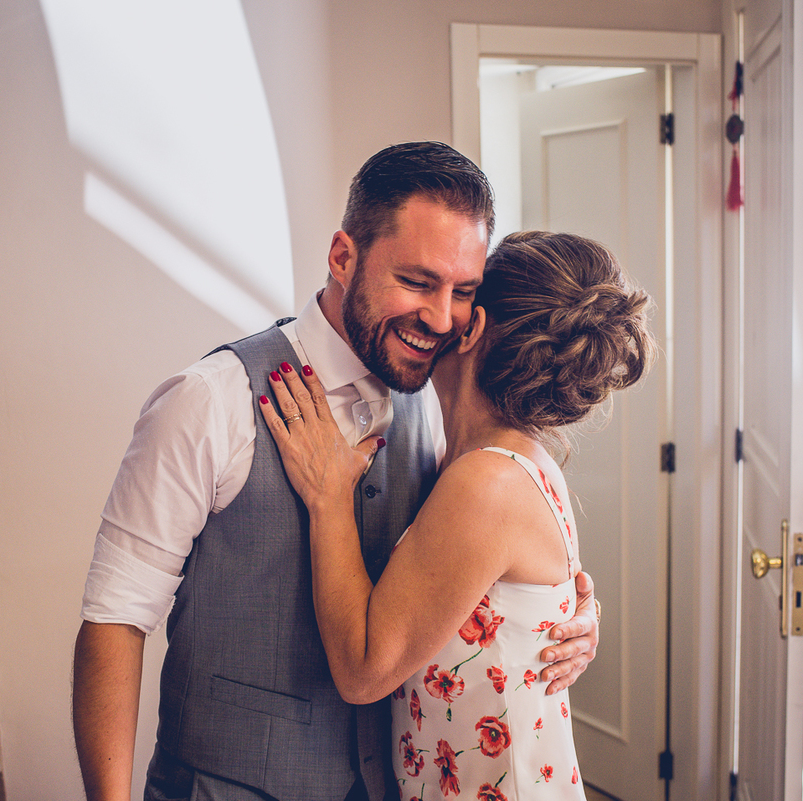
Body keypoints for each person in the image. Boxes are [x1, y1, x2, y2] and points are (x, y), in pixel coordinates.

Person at [72, 143, 601, 801]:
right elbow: (115, 619)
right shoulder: (209, 400)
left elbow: (479, 565)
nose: (441, 317)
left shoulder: (444, 401)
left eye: (462, 292)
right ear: (343, 257)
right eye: (417, 281)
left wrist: (564, 613)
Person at [259, 231, 654, 800]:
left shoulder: (487, 482)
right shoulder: (491, 458)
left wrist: (329, 498)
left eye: (462, 293)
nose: (439, 312)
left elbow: (363, 672)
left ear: (473, 327)